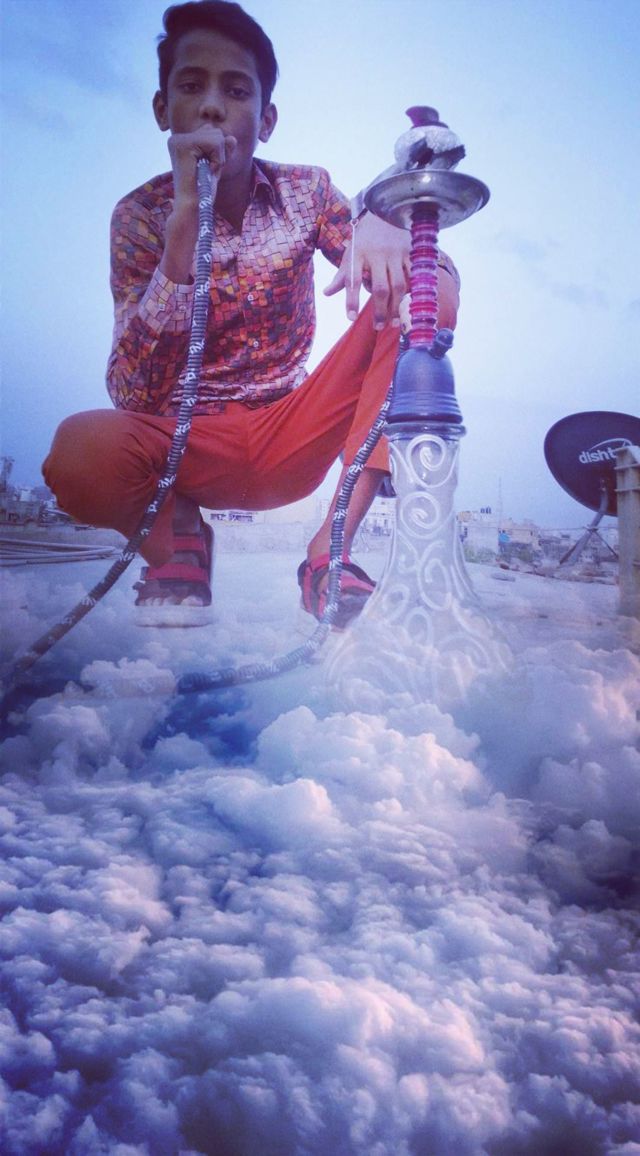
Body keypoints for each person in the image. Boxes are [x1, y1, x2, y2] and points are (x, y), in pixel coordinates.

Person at [43, 0, 459, 627]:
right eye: (191, 86)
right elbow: (131, 392)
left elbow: (420, 283)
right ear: (162, 109)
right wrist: (183, 230)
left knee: (428, 289)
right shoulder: (138, 216)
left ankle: (331, 550)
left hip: (291, 431)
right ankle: (178, 542)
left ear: (266, 120)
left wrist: (383, 220)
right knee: (78, 451)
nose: (213, 107)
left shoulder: (305, 191)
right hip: (187, 445)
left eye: (236, 91)